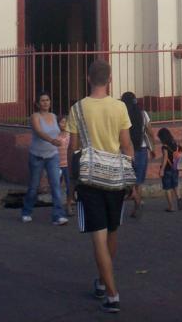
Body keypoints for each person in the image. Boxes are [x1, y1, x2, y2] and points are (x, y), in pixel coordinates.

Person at [68, 60, 134, 314]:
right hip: (116, 179)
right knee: (113, 230)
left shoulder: (78, 109)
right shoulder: (119, 107)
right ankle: (102, 281)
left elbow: (72, 148)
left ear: (88, 78)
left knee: (98, 236)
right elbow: (126, 145)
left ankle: (112, 293)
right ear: (110, 80)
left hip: (90, 179)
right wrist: (132, 180)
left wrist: (71, 183)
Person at [20, 94, 68, 225]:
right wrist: (52, 140)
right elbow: (39, 132)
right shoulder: (35, 116)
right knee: (34, 187)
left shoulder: (53, 116)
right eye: (42, 100)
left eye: (47, 100)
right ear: (37, 104)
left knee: (56, 185)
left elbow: (61, 130)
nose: (45, 103)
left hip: (53, 155)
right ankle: (26, 211)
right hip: (37, 156)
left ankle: (58, 215)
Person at [120, 91, 157, 218]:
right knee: (138, 181)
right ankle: (137, 204)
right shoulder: (143, 114)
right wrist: (153, 147)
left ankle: (133, 199)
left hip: (126, 150)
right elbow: (150, 132)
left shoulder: (122, 115)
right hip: (141, 150)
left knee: (128, 179)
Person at [157, 127, 182, 212]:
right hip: (175, 168)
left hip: (167, 169)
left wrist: (162, 169)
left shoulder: (164, 147)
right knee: (175, 185)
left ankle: (171, 207)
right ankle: (179, 199)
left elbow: (165, 158)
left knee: (167, 188)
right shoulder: (176, 144)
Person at [57, 115, 73, 216]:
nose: (64, 124)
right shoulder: (55, 135)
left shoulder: (70, 135)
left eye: (66, 122)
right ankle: (57, 206)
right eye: (62, 122)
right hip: (57, 164)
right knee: (56, 186)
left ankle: (68, 205)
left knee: (69, 186)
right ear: (58, 123)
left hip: (67, 164)